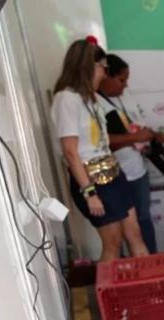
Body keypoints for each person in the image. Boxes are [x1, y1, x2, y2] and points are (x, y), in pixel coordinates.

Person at [51, 39, 148, 262]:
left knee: (134, 234)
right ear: (88, 66)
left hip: (114, 173)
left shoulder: (92, 98)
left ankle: (149, 293)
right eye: (103, 68)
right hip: (92, 182)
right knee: (112, 243)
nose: (105, 74)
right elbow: (70, 153)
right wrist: (90, 193)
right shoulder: (66, 99)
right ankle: (113, 296)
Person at [98, 53, 164, 254]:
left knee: (143, 219)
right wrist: (135, 138)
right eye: (121, 79)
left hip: (137, 171)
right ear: (106, 76)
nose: (126, 85)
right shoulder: (93, 103)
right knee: (115, 229)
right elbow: (102, 141)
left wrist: (154, 135)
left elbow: (137, 125)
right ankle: (122, 274)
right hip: (111, 176)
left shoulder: (126, 96)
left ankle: (152, 267)